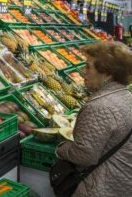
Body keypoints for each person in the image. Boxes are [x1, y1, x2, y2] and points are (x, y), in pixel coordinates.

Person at [56, 41, 132, 196]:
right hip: (122, 180)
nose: (83, 72)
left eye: (88, 67)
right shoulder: (126, 95)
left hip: (100, 186)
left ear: (107, 74)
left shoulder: (98, 107)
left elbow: (84, 156)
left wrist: (61, 148)